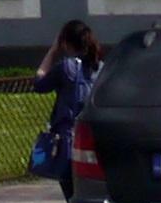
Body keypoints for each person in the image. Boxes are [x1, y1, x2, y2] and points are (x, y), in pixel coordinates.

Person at [31, 17, 107, 176]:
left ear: (65, 43)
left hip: (68, 138)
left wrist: (52, 52)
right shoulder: (100, 68)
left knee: (69, 184)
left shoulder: (66, 67)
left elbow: (39, 83)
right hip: (94, 137)